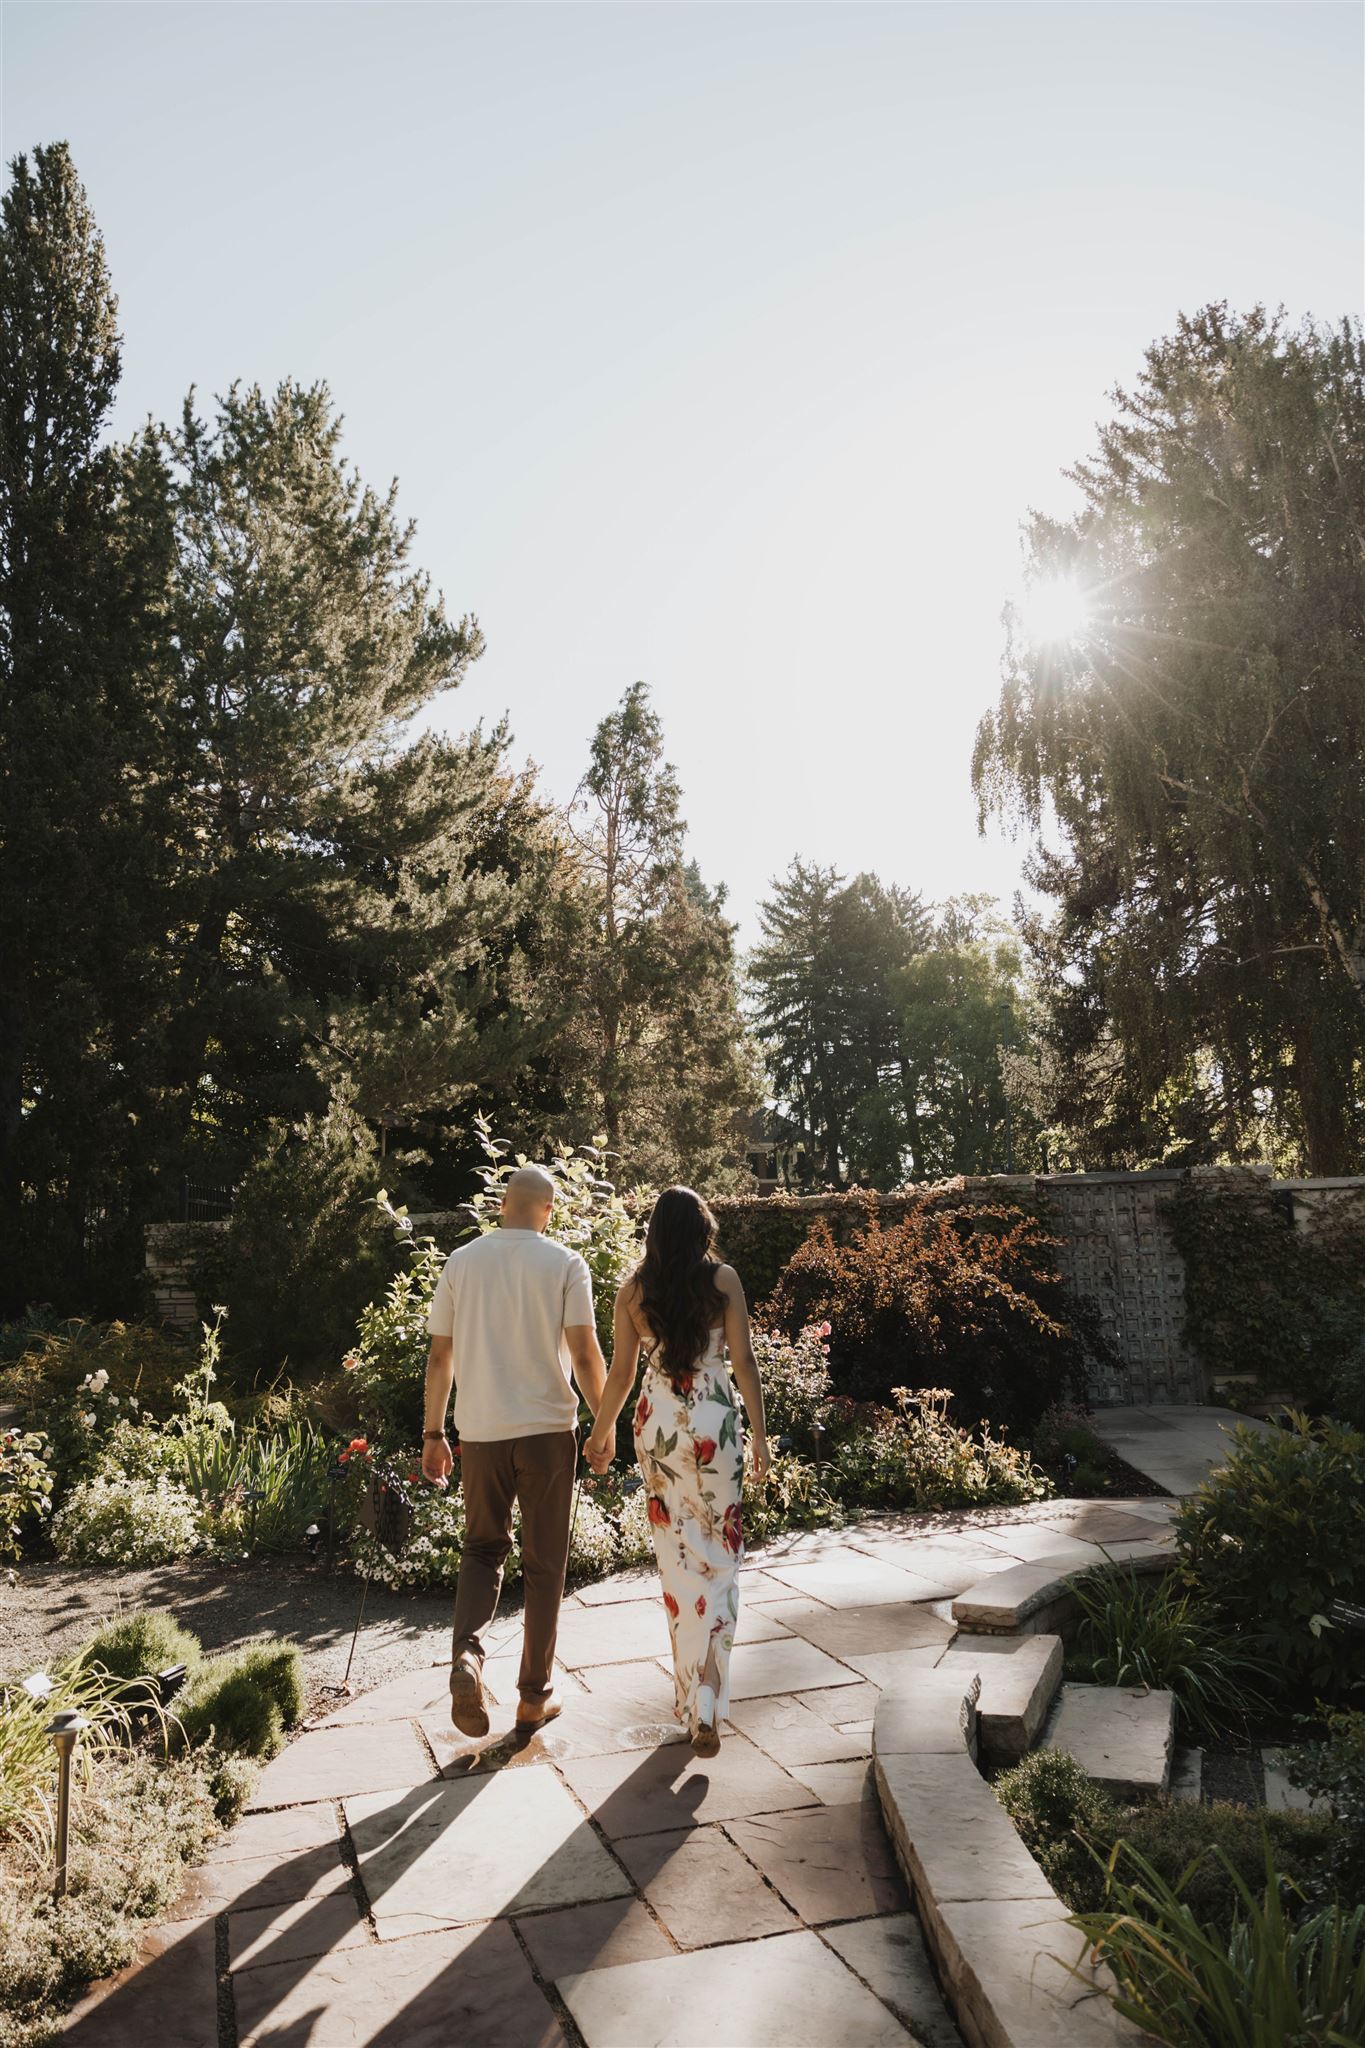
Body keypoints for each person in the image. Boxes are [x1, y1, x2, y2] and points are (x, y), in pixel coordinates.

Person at [422, 1165, 607, 1737]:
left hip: (479, 1434)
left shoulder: (462, 1262)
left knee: (481, 1550)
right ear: (549, 1210)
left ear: (503, 1204)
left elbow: (439, 1359)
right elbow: (583, 1354)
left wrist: (433, 1435)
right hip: (548, 1434)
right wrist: (604, 1426)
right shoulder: (565, 1264)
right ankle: (533, 1698)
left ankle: (468, 1657)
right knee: (545, 1563)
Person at [585, 1186, 770, 1756]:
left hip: (658, 1424)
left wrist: (599, 1434)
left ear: (654, 1234)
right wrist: (761, 1435)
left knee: (679, 1558)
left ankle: (692, 1696)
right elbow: (742, 1362)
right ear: (701, 1229)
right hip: (715, 1421)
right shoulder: (724, 1282)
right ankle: (711, 1689)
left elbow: (619, 1376)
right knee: (722, 1556)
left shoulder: (633, 1291)